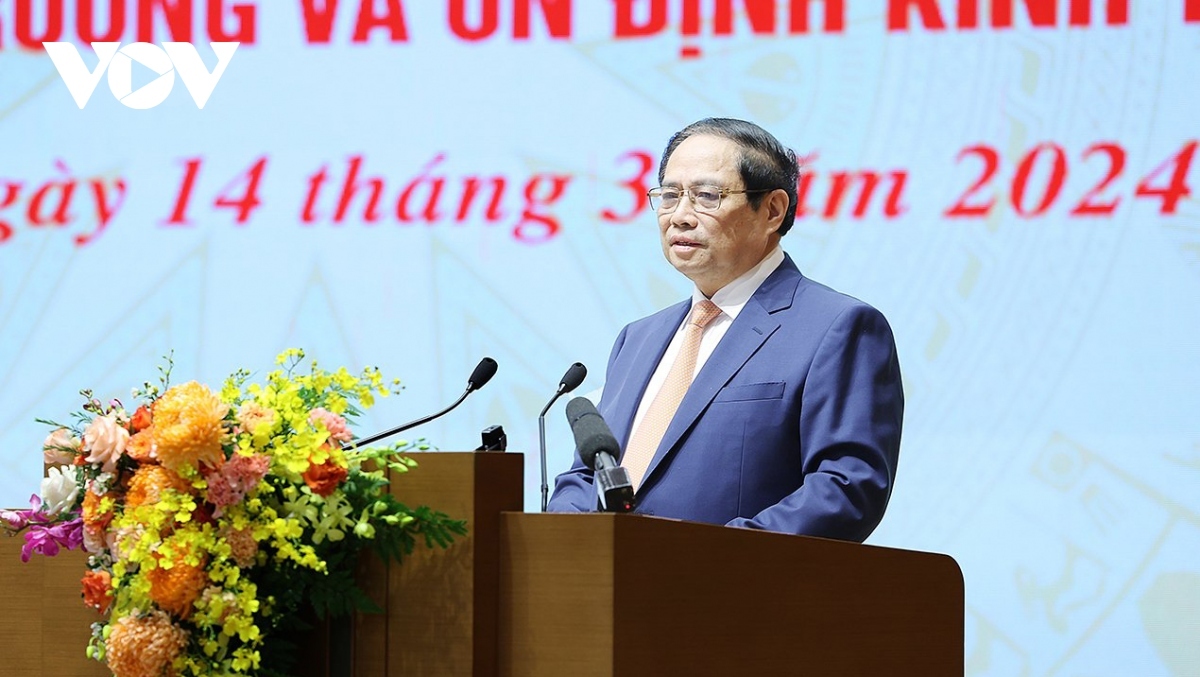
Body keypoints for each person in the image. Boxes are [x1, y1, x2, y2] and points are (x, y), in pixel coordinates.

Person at [547, 118, 903, 542]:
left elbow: (845, 490)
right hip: (610, 592)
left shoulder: (838, 327)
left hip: (733, 594)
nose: (679, 216)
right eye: (669, 195)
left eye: (706, 196)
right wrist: (566, 537)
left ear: (772, 210)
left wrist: (707, 557)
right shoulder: (637, 339)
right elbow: (588, 473)